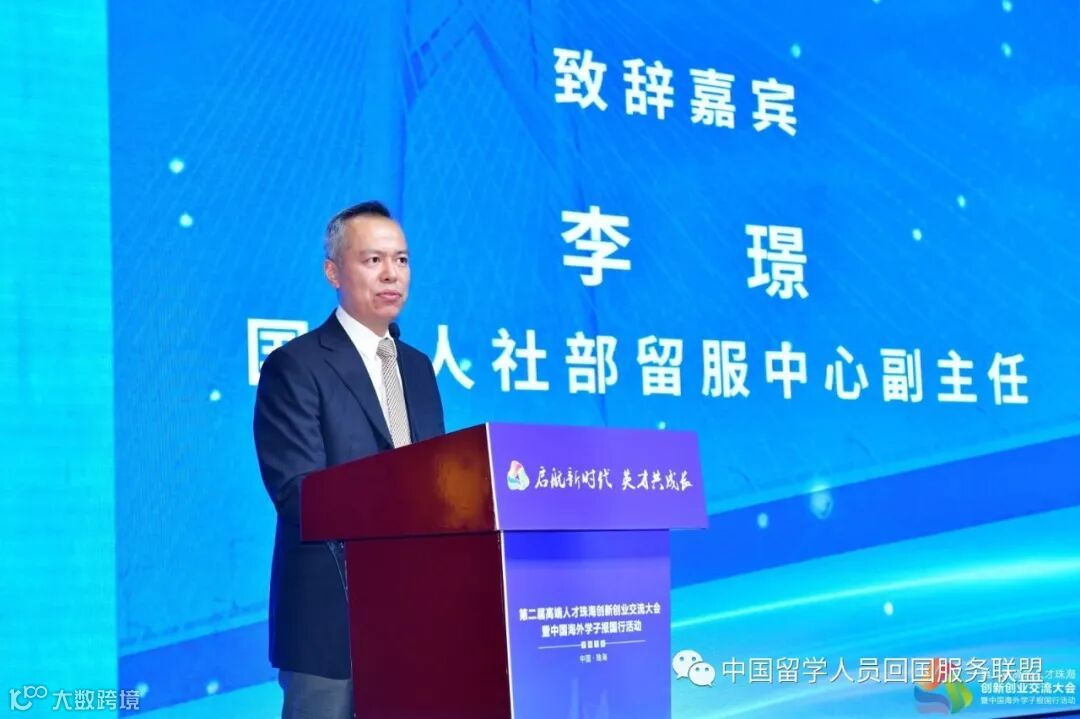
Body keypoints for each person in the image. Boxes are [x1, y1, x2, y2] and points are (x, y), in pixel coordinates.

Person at [253, 201, 445, 719]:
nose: (391, 274)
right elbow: (299, 494)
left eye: (401, 260)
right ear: (333, 272)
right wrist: (400, 507)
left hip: (416, 616)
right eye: (373, 260)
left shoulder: (419, 368)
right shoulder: (295, 365)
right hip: (330, 624)